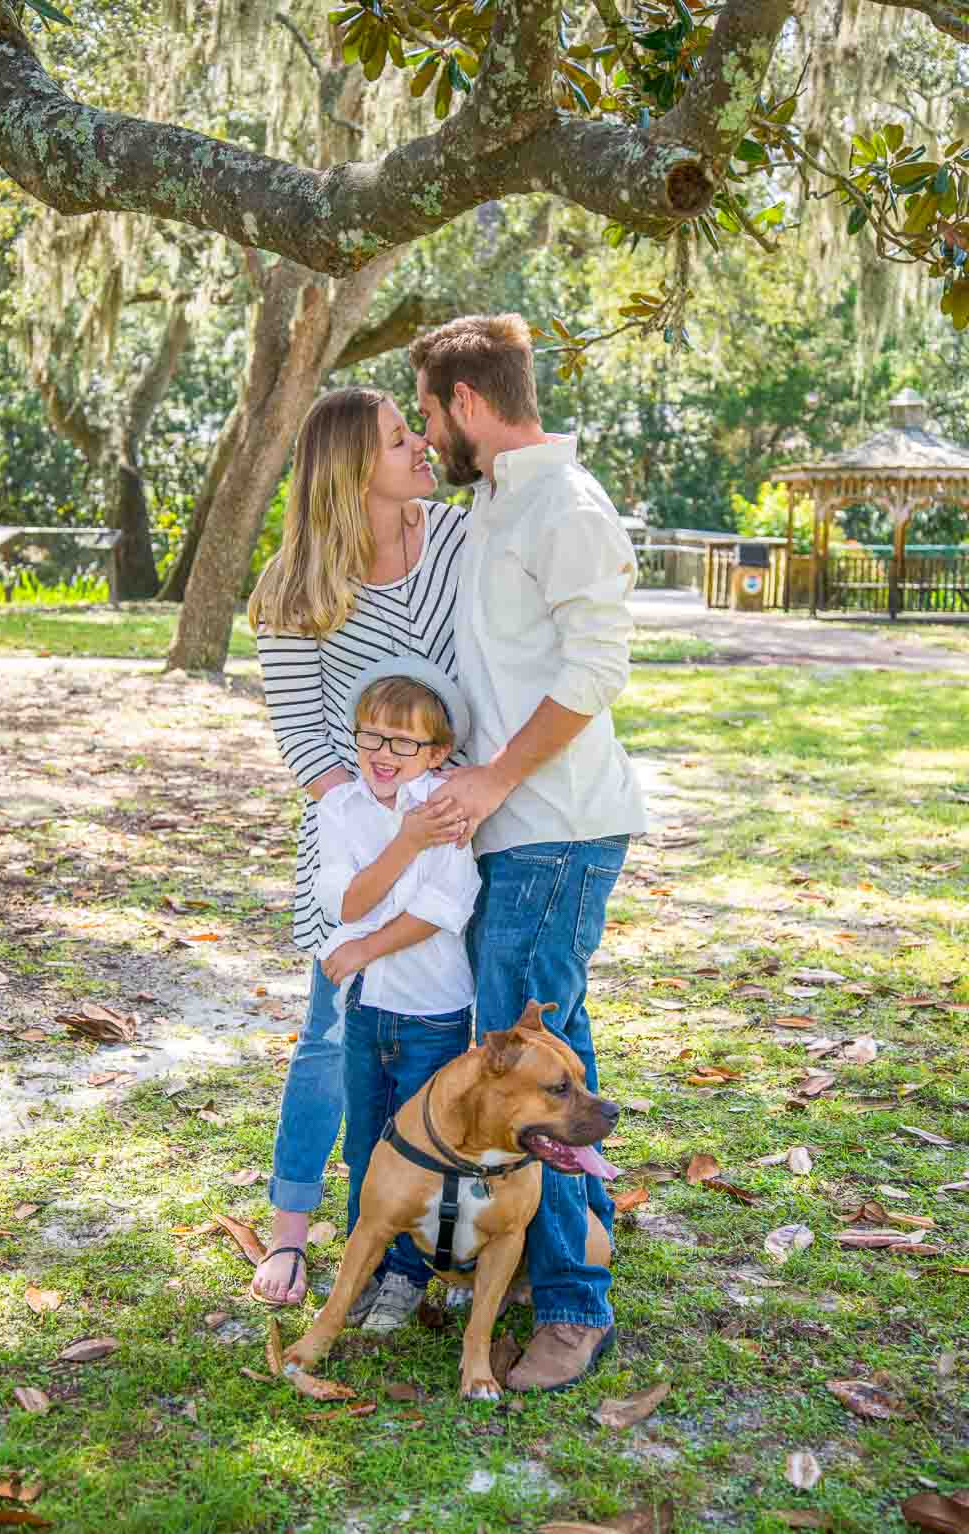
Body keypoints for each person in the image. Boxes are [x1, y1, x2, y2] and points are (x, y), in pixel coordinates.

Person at [409, 313, 648, 1391]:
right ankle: (564, 1251)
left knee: (531, 1087)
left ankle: (571, 1310)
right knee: (553, 1064)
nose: (427, 432)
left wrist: (497, 777)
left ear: (465, 401)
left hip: (555, 832)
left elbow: (596, 670)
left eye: (427, 410)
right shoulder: (497, 501)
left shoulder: (568, 506)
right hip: (516, 832)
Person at [248, 386, 469, 1312]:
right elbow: (304, 737)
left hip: (462, 824)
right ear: (351, 470)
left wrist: (444, 808)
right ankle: (293, 1236)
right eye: (395, 438)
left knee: (442, 1039)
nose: (420, 444)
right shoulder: (297, 583)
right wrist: (377, 832)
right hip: (354, 843)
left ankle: (430, 1241)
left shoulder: (459, 539)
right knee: (331, 1042)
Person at [315, 662, 480, 1331]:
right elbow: (350, 897)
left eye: (403, 742)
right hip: (366, 1010)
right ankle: (364, 1267)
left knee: (424, 1150)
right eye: (371, 737)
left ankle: (410, 1277)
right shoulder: (340, 806)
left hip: (432, 1011)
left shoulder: (448, 806)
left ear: (437, 753)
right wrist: (407, 840)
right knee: (364, 1147)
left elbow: (442, 911)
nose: (383, 754)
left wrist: (362, 947)